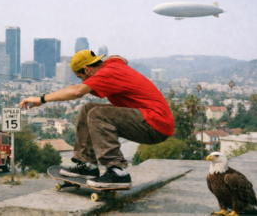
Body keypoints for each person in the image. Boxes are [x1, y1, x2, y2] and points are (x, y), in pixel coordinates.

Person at [19, 50, 174, 188]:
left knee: (97, 114)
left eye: (82, 77)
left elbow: (77, 92)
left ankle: (118, 171)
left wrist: (42, 99)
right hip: (152, 120)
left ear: (87, 69)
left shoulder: (106, 73)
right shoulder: (112, 64)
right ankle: (87, 165)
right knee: (88, 109)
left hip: (155, 125)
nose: (83, 82)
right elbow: (120, 58)